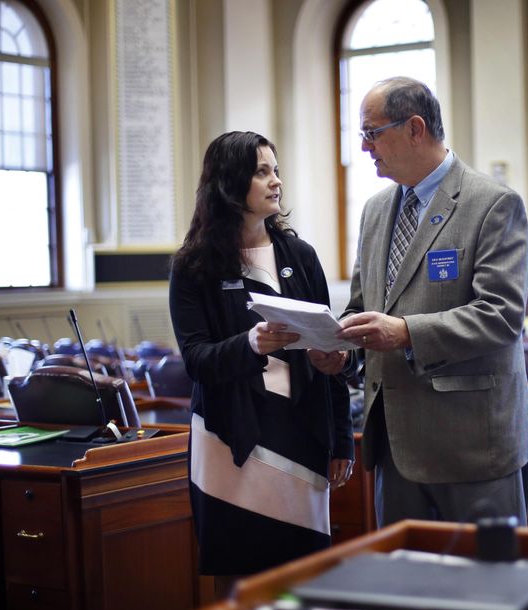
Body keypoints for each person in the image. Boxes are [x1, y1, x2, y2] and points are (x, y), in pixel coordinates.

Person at [311, 77, 528, 528]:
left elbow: (501, 315)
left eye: (372, 132)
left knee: (488, 592)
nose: (364, 146)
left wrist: (407, 332)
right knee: (402, 589)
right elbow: (360, 306)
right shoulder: (375, 211)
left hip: (471, 447)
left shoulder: (492, 204)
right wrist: (343, 352)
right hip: (393, 447)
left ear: (415, 128)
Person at [169, 132, 354, 593]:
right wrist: (250, 344)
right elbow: (196, 361)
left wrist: (342, 442)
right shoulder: (193, 265)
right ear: (230, 184)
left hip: (301, 429)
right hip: (229, 437)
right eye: (262, 171)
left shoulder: (301, 256)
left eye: (276, 170)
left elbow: (328, 349)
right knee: (239, 573)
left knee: (305, 572)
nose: (277, 182)